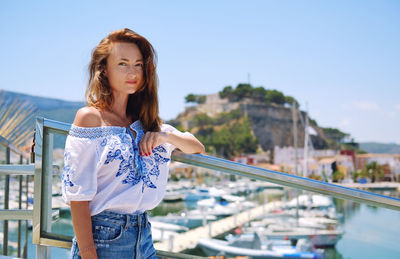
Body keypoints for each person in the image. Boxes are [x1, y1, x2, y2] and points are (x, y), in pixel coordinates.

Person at [62, 28, 205, 259]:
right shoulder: (90, 119)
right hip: (104, 238)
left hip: (144, 236)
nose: (133, 72)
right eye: (123, 64)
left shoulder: (147, 122)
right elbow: (78, 196)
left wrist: (166, 138)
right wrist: (88, 254)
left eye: (138, 64)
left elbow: (197, 147)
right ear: (104, 69)